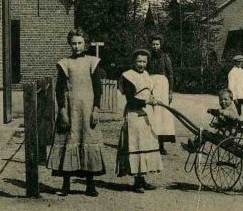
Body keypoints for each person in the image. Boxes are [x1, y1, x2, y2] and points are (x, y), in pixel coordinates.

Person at [47, 29, 105, 197]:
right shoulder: (65, 63)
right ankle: (65, 185)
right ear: (69, 44)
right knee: (68, 143)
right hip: (71, 109)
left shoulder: (92, 62)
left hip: (87, 110)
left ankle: (90, 185)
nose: (77, 46)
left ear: (85, 44)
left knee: (88, 141)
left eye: (80, 43)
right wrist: (63, 111)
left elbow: (98, 89)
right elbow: (59, 90)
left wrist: (96, 109)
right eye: (73, 43)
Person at [116, 49, 163, 193]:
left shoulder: (147, 75)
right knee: (136, 145)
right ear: (133, 62)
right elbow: (131, 99)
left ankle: (143, 179)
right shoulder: (128, 76)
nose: (141, 64)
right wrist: (147, 101)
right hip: (134, 115)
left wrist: (153, 99)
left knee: (146, 144)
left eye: (144, 61)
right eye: (139, 61)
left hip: (147, 115)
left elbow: (149, 92)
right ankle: (137, 182)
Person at [146, 34, 176, 155]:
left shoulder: (165, 57)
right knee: (151, 112)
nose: (155, 46)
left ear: (160, 45)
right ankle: (150, 142)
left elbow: (170, 74)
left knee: (162, 114)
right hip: (151, 84)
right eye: (153, 44)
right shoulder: (147, 57)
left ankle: (161, 145)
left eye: (157, 44)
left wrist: (170, 91)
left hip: (163, 86)